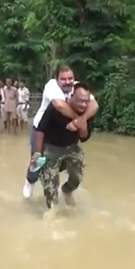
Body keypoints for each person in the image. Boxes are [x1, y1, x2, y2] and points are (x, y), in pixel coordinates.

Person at [23, 64, 99, 198]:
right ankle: (30, 181)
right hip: (41, 129)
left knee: (64, 163)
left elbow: (94, 105)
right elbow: (60, 105)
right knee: (37, 161)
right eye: (63, 79)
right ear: (56, 79)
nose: (67, 82)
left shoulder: (77, 88)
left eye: (70, 78)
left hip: (63, 132)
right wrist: (79, 120)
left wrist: (81, 121)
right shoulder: (51, 86)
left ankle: (62, 188)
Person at [31, 83, 93, 209]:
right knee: (51, 189)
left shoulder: (87, 112)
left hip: (72, 148)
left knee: (77, 178)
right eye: (80, 101)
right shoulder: (55, 108)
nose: (83, 105)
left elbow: (84, 138)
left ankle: (66, 190)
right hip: (51, 148)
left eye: (86, 101)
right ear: (71, 97)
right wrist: (37, 152)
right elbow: (40, 130)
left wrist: (82, 125)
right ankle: (53, 213)